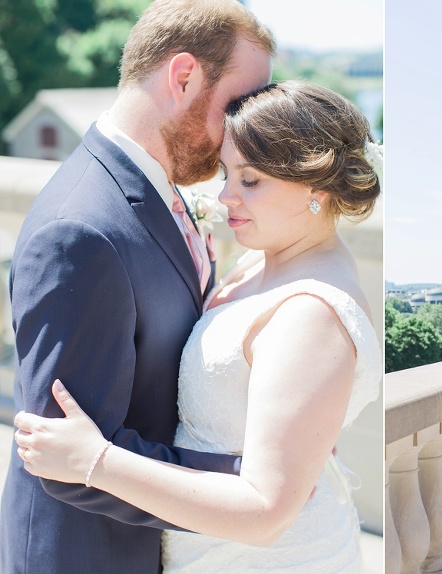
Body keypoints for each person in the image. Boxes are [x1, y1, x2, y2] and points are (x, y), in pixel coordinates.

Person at [14, 80, 383, 573]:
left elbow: (264, 513)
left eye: (250, 180)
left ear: (315, 187)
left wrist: (94, 459)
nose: (226, 196)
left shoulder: (312, 316)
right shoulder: (267, 258)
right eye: (227, 173)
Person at [1, 1, 274, 572]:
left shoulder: (161, 188)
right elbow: (63, 455)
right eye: (239, 106)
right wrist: (252, 479)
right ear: (183, 77)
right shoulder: (80, 230)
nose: (249, 131)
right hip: (91, 554)